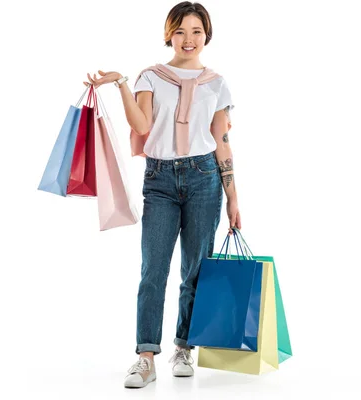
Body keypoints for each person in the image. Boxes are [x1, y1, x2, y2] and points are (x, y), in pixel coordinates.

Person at [84, 1, 242, 389]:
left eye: (197, 32)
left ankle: (184, 347)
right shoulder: (150, 77)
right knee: (153, 270)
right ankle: (145, 356)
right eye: (181, 31)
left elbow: (221, 140)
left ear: (207, 36)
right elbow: (141, 123)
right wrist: (122, 83)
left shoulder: (217, 83)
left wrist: (234, 197)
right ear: (169, 34)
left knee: (196, 270)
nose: (189, 39)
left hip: (204, 177)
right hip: (160, 179)